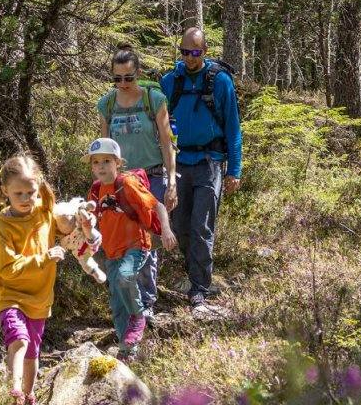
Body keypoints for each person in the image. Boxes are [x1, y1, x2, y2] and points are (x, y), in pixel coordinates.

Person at [160, 26, 243, 313]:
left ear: (205, 51)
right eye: (185, 52)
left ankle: (199, 288)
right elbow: (159, 125)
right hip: (179, 162)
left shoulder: (220, 81)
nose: (190, 57)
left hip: (210, 162)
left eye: (195, 52)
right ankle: (191, 270)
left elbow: (233, 128)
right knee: (180, 225)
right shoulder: (170, 81)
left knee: (201, 227)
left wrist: (234, 170)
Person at [96, 44, 177, 316]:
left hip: (151, 177)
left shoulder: (154, 100)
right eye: (117, 78)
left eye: (128, 77)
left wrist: (172, 181)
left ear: (138, 73)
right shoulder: (107, 104)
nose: (123, 83)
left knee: (146, 241)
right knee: (123, 240)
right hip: (121, 182)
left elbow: (166, 142)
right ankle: (130, 302)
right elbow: (105, 149)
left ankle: (146, 303)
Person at [0, 152, 65, 405]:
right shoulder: (4, 225)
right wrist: (44, 258)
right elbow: (7, 269)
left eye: (30, 193)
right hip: (11, 295)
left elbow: (68, 226)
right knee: (18, 340)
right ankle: (14, 393)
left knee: (32, 353)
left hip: (40, 299)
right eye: (18, 193)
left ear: (38, 188)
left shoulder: (45, 213)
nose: (25, 199)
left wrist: (83, 224)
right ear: (5, 191)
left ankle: (29, 399)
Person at [84, 136, 171, 356]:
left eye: (106, 161)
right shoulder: (95, 190)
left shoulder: (127, 184)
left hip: (136, 245)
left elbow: (158, 205)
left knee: (126, 277)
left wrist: (167, 231)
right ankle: (127, 350)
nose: (101, 166)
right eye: (96, 162)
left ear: (118, 163)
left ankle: (139, 316)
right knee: (117, 304)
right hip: (111, 252)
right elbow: (91, 222)